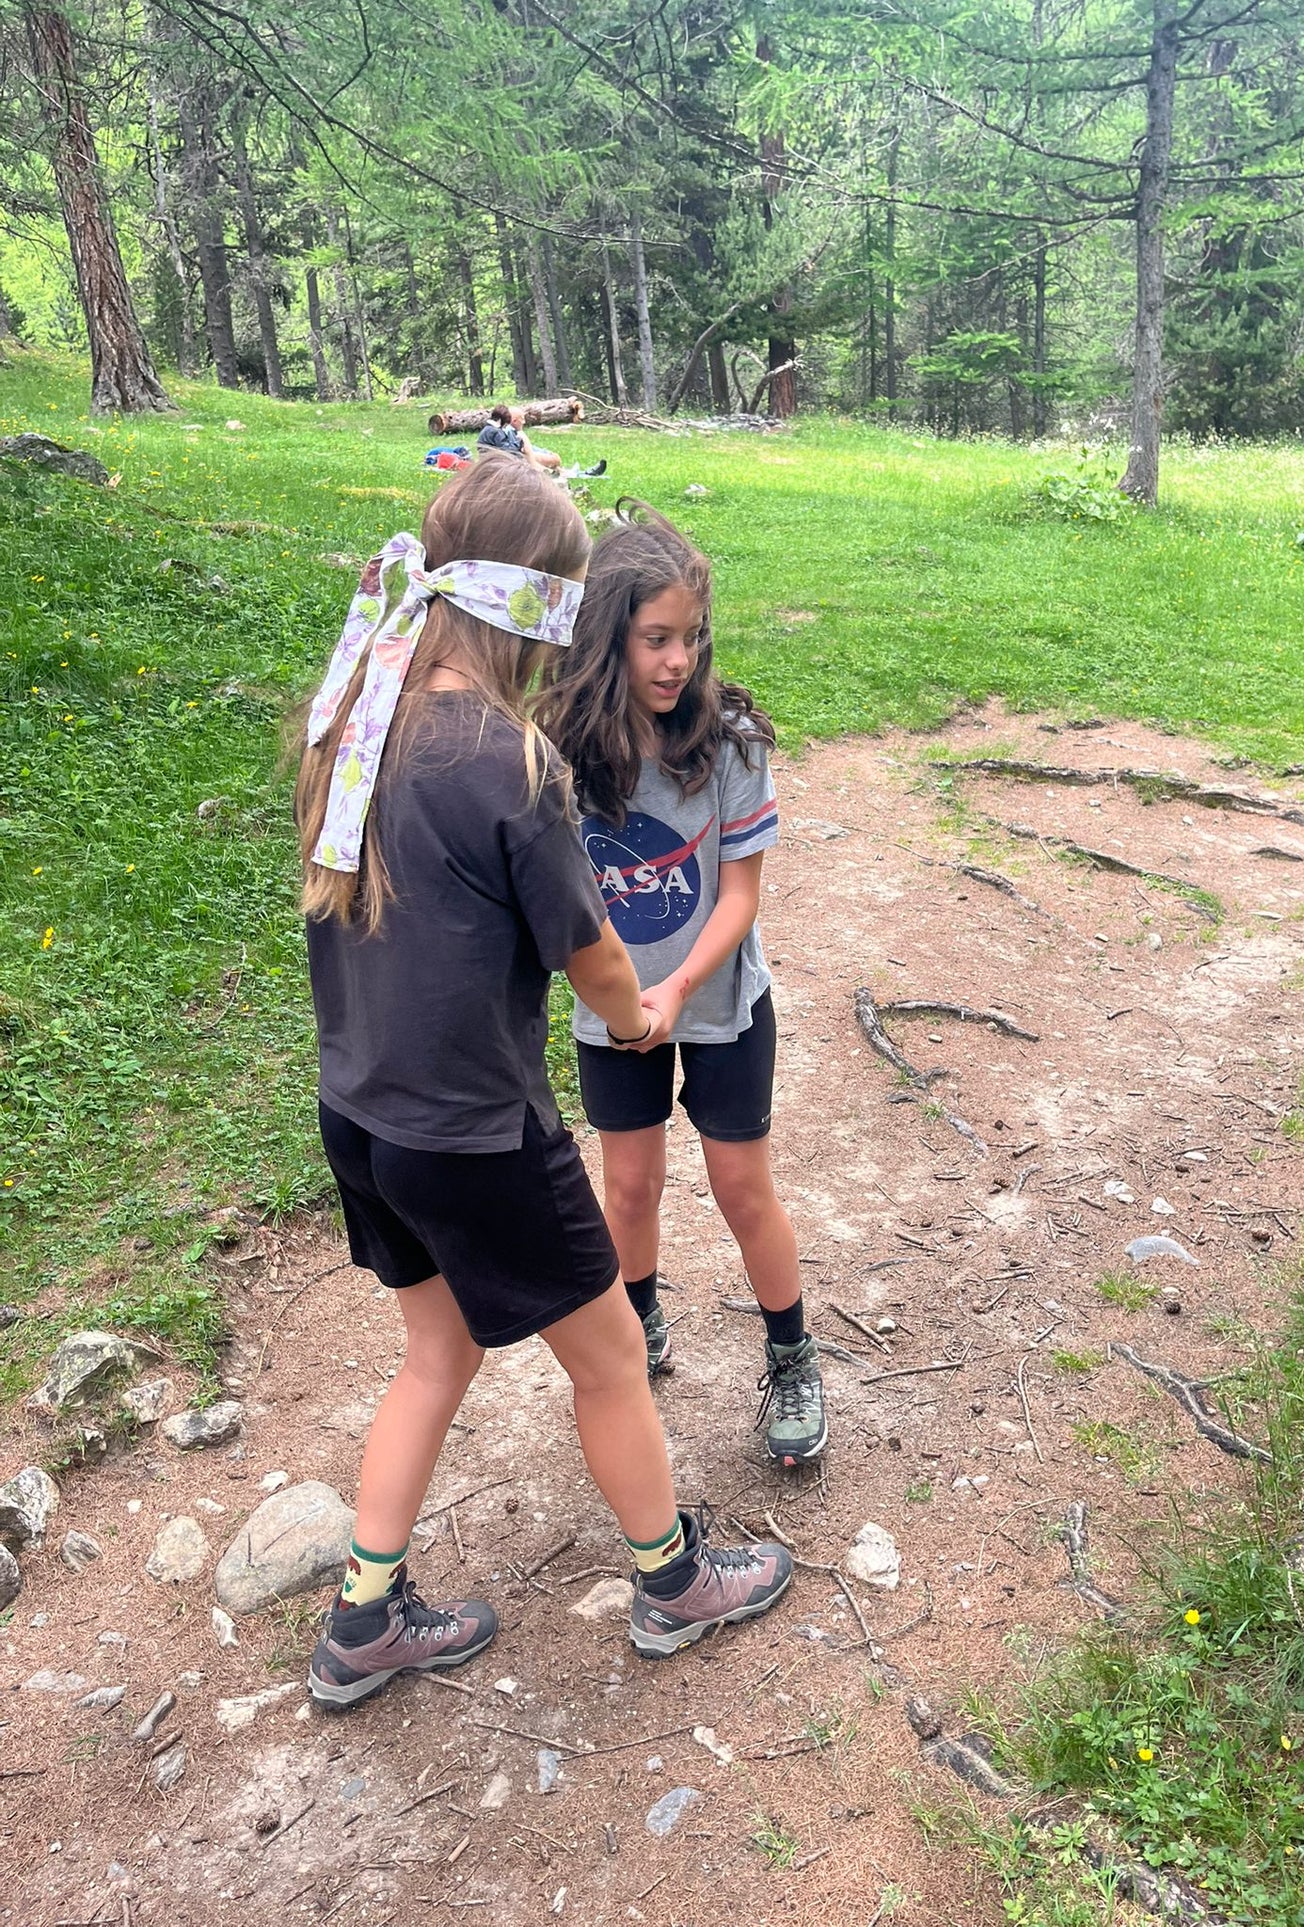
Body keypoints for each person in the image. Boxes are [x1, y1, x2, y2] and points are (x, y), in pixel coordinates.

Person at [293, 454, 791, 1708]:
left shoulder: (366, 712)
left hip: (359, 1114)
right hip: (473, 1132)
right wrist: (635, 1019)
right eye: (567, 600)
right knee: (612, 1354)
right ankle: (673, 1582)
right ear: (532, 603)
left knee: (436, 1353)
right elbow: (591, 953)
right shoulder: (506, 762)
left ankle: (363, 1614)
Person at [534, 504, 827, 1467]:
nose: (676, 660)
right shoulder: (560, 755)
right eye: (655, 638)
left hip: (719, 1009)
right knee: (629, 1185)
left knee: (743, 1187)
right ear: (605, 636)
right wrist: (623, 998)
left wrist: (675, 992)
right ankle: (641, 1325)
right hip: (608, 1015)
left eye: (690, 638)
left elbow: (738, 894)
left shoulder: (732, 740)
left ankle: (790, 1353)